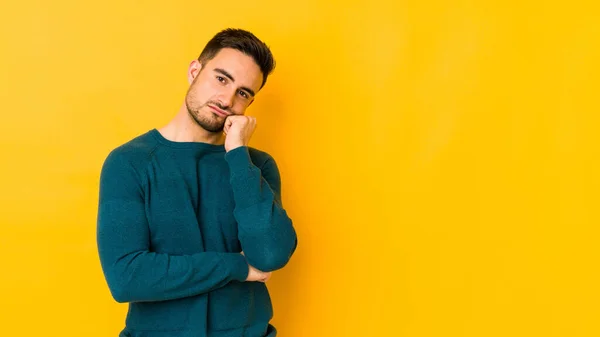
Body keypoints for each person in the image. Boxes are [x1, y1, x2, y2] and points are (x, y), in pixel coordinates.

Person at [96, 28, 298, 337]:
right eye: (221, 79)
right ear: (194, 71)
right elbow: (127, 278)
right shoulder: (129, 162)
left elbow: (270, 254)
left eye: (243, 93)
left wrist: (238, 153)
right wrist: (237, 267)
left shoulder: (255, 165)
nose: (227, 99)